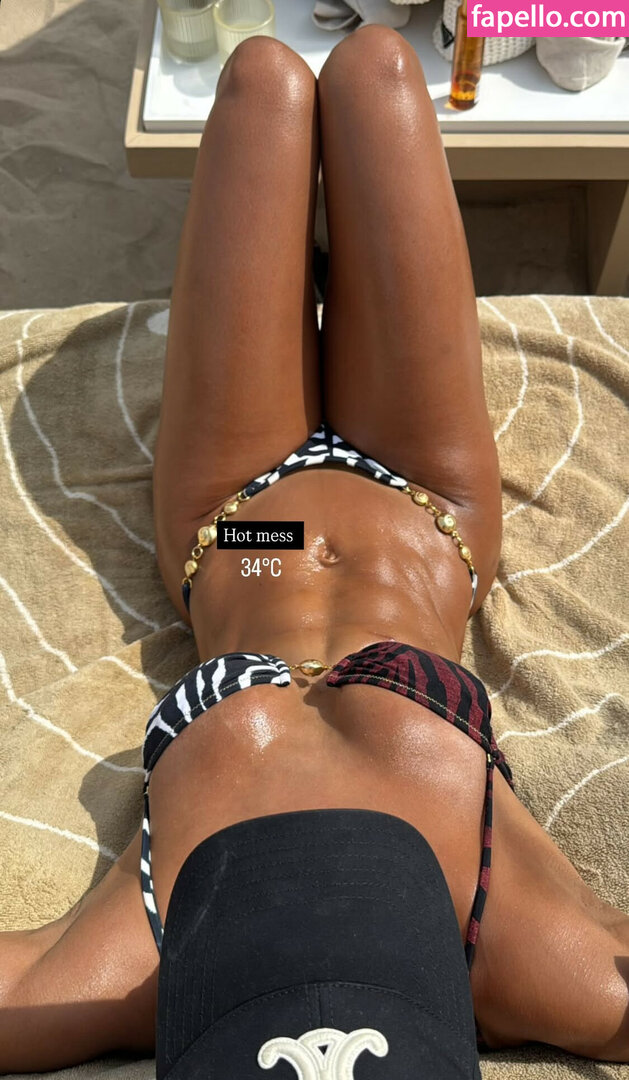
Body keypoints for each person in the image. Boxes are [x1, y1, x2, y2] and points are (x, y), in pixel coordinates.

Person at [1, 25, 628, 1074]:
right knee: (377, 66)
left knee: (261, 82)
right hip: (422, 505)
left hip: (243, 526)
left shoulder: (143, 967)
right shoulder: (534, 960)